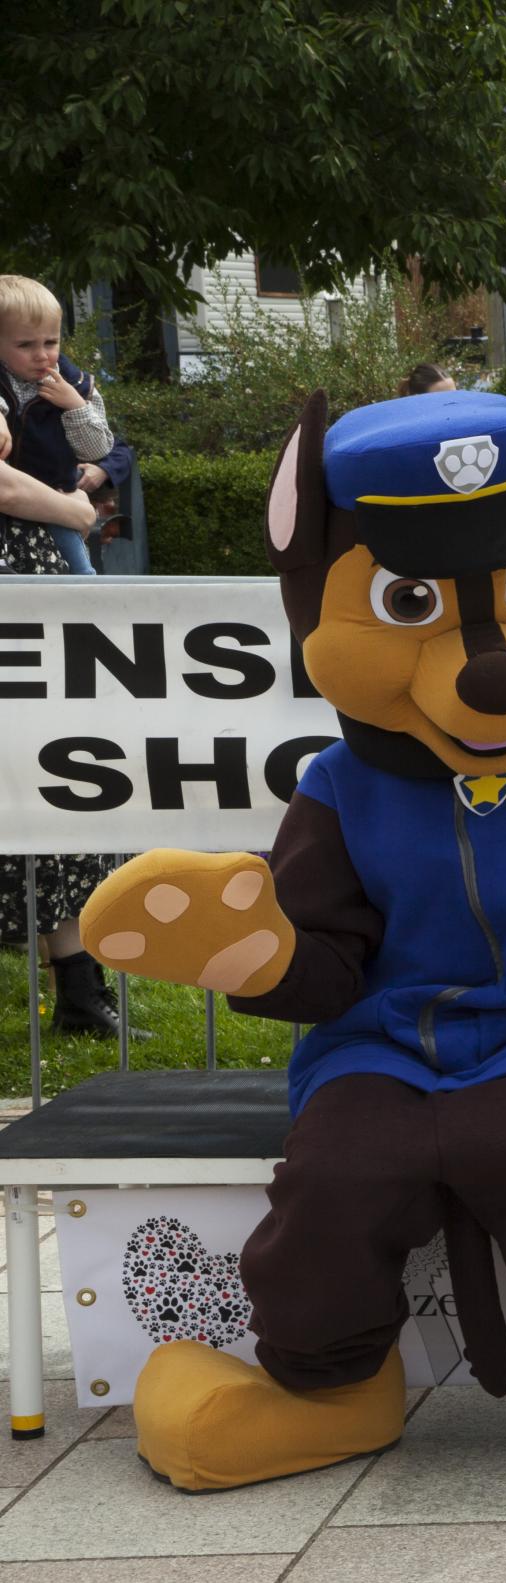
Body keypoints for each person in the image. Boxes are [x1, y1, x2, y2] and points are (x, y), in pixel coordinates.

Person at [0, 459, 122, 1035]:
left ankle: (81, 994)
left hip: (41, 648)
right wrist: (73, 508)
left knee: (59, 815)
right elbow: (9, 483)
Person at [0, 275, 110, 574]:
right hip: (11, 512)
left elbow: (99, 447)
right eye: (25, 344)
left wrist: (74, 405)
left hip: (56, 498)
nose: (42, 354)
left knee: (81, 576)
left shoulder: (76, 384)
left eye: (51, 342)